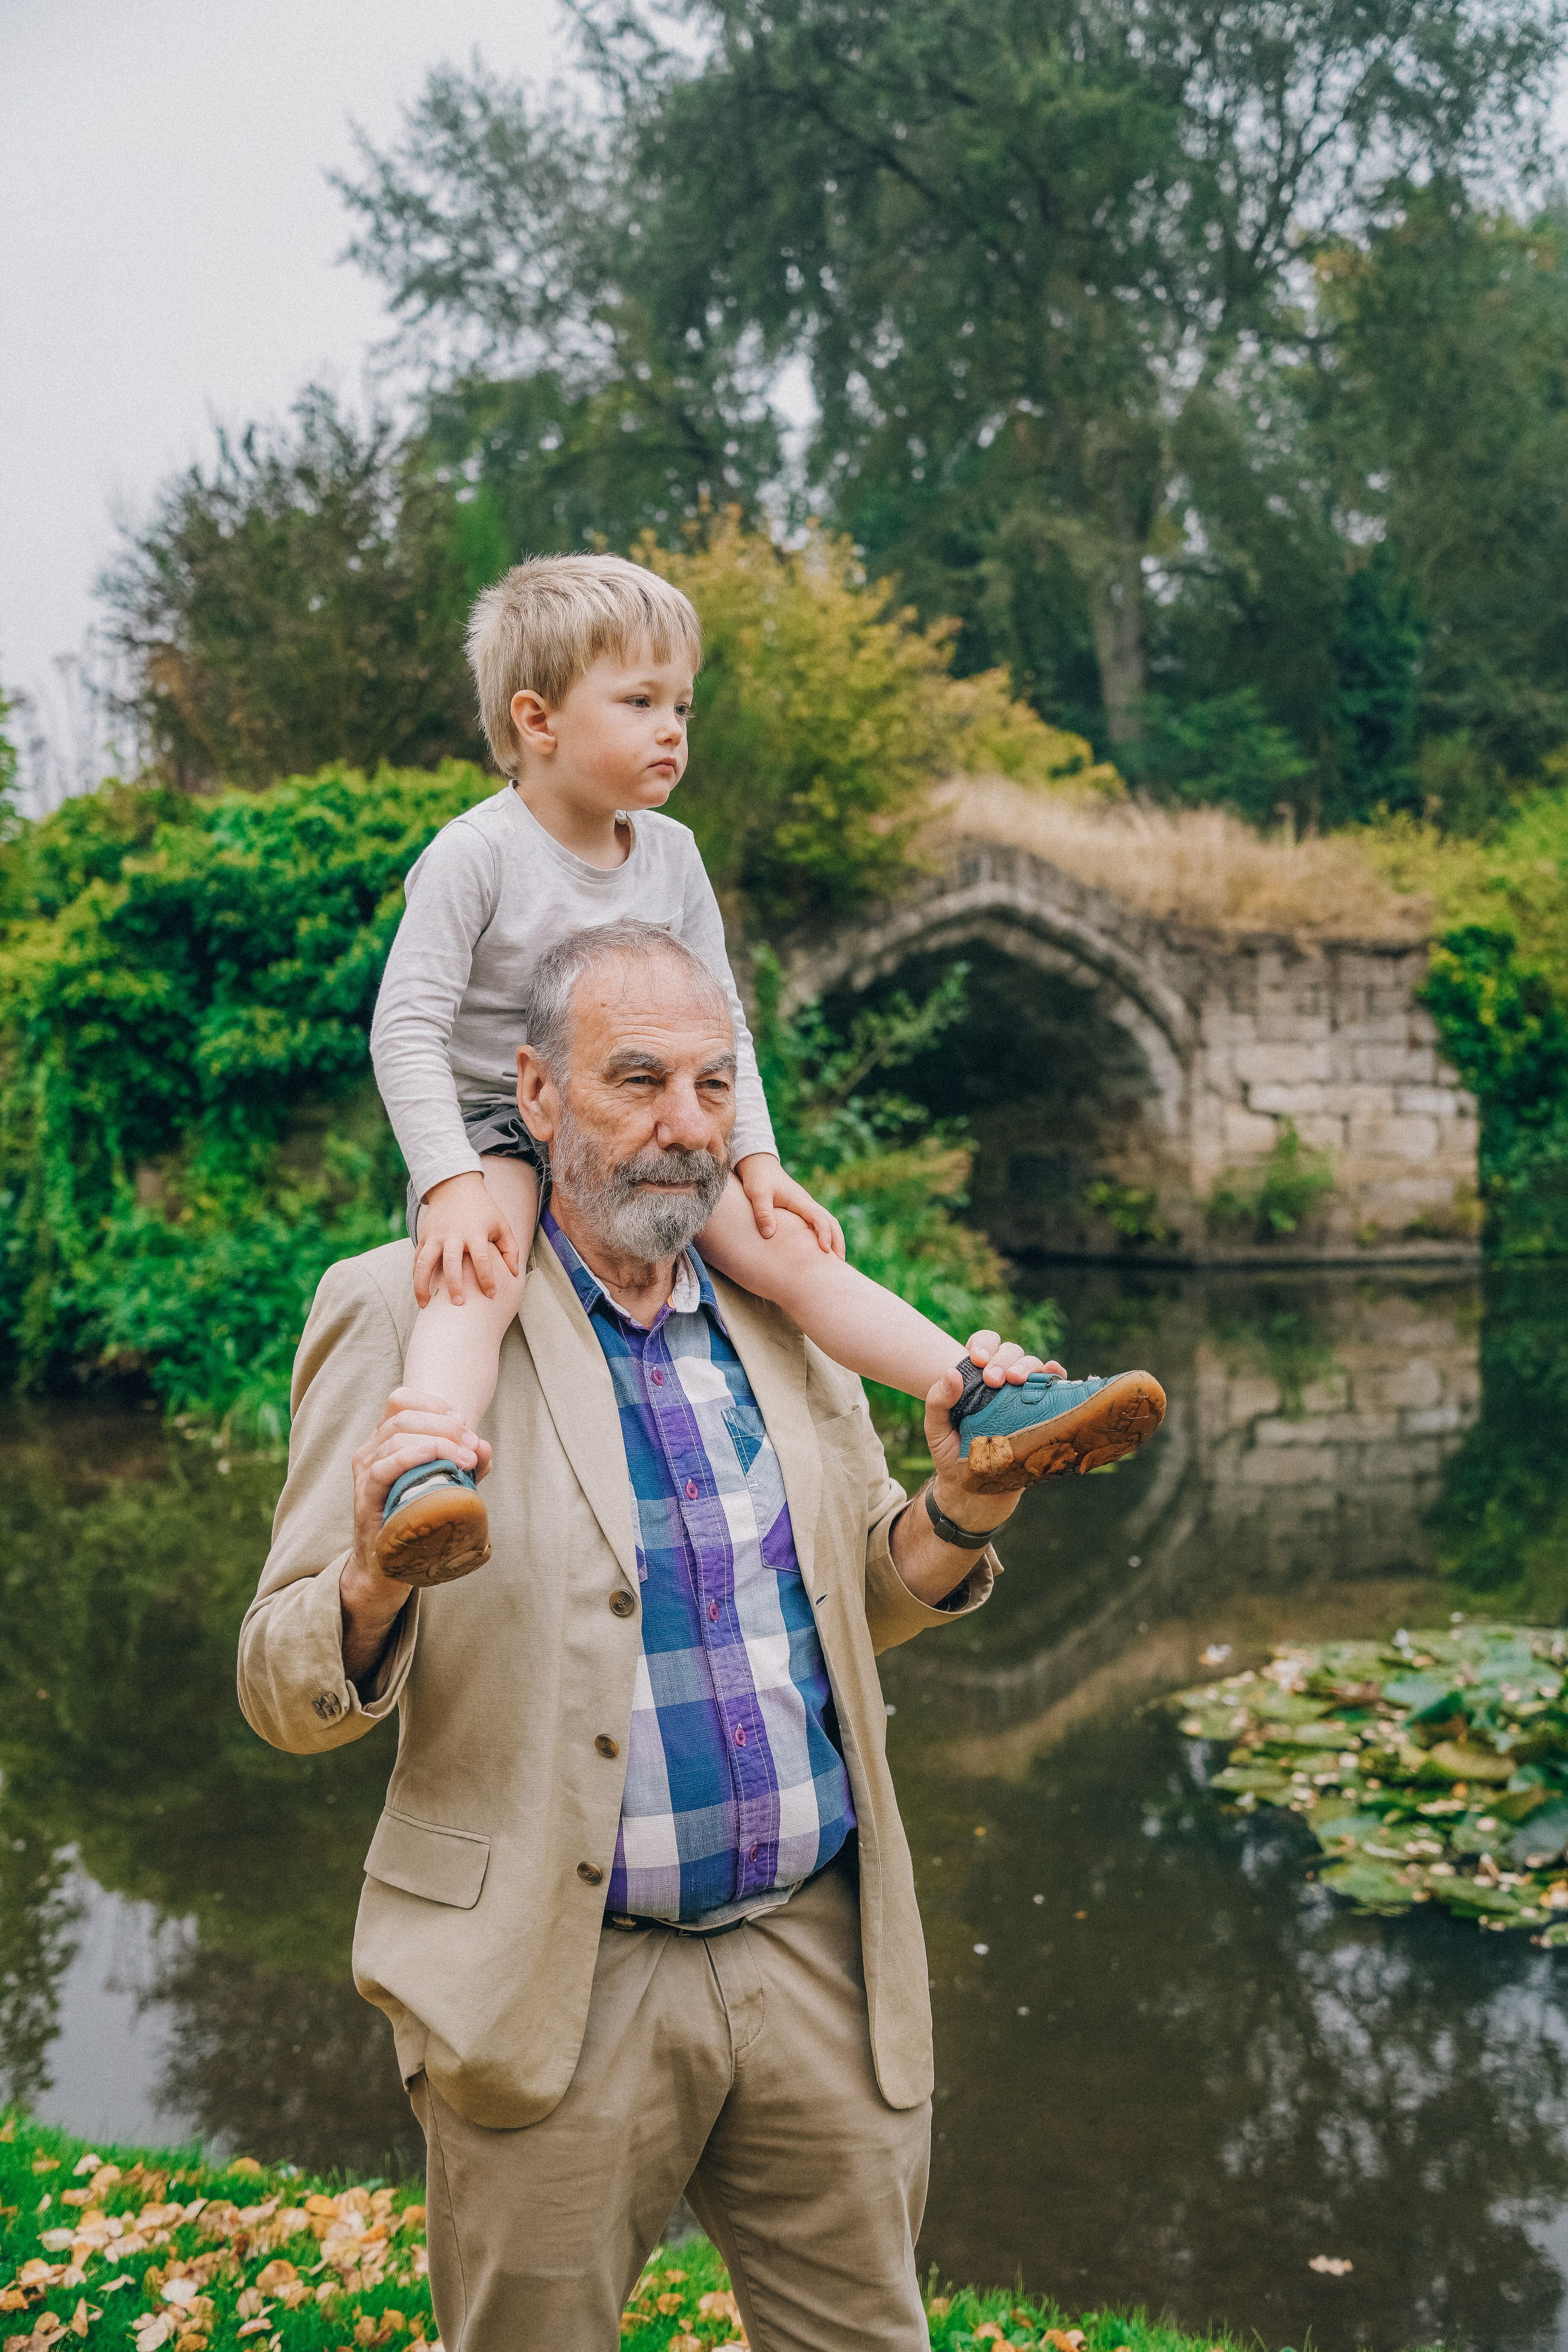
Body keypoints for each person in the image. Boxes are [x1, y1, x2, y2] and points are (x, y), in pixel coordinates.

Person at [239, 919, 1090, 2351]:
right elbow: (281, 1686)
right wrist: (374, 1586)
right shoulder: (406, 1313)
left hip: (816, 1955)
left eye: (711, 1087)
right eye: (636, 1081)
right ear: (540, 1091)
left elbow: (855, 1605)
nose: (681, 1129)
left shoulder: (780, 1307)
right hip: (548, 1988)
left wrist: (958, 1504)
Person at [367, 553, 1164, 1583]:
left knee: (790, 1251)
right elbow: (407, 1027)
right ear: (537, 720)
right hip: (498, 1117)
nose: (673, 731)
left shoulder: (673, 855)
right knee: (475, 1277)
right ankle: (425, 1469)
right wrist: (450, 1181)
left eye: (684, 707)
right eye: (641, 701)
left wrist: (757, 1157)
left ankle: (980, 1398)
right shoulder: (477, 856)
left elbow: (725, 1023)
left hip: (657, 1118)